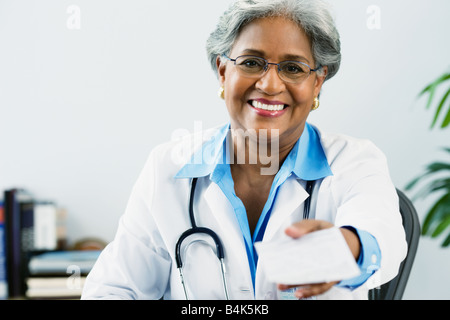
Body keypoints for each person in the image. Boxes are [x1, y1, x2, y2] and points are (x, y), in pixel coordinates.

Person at [81, 0, 407, 300]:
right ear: (223, 72)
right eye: (252, 62)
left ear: (317, 83)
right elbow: (114, 289)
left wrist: (346, 247)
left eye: (293, 68)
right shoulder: (166, 167)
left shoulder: (355, 162)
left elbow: (382, 238)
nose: (270, 85)